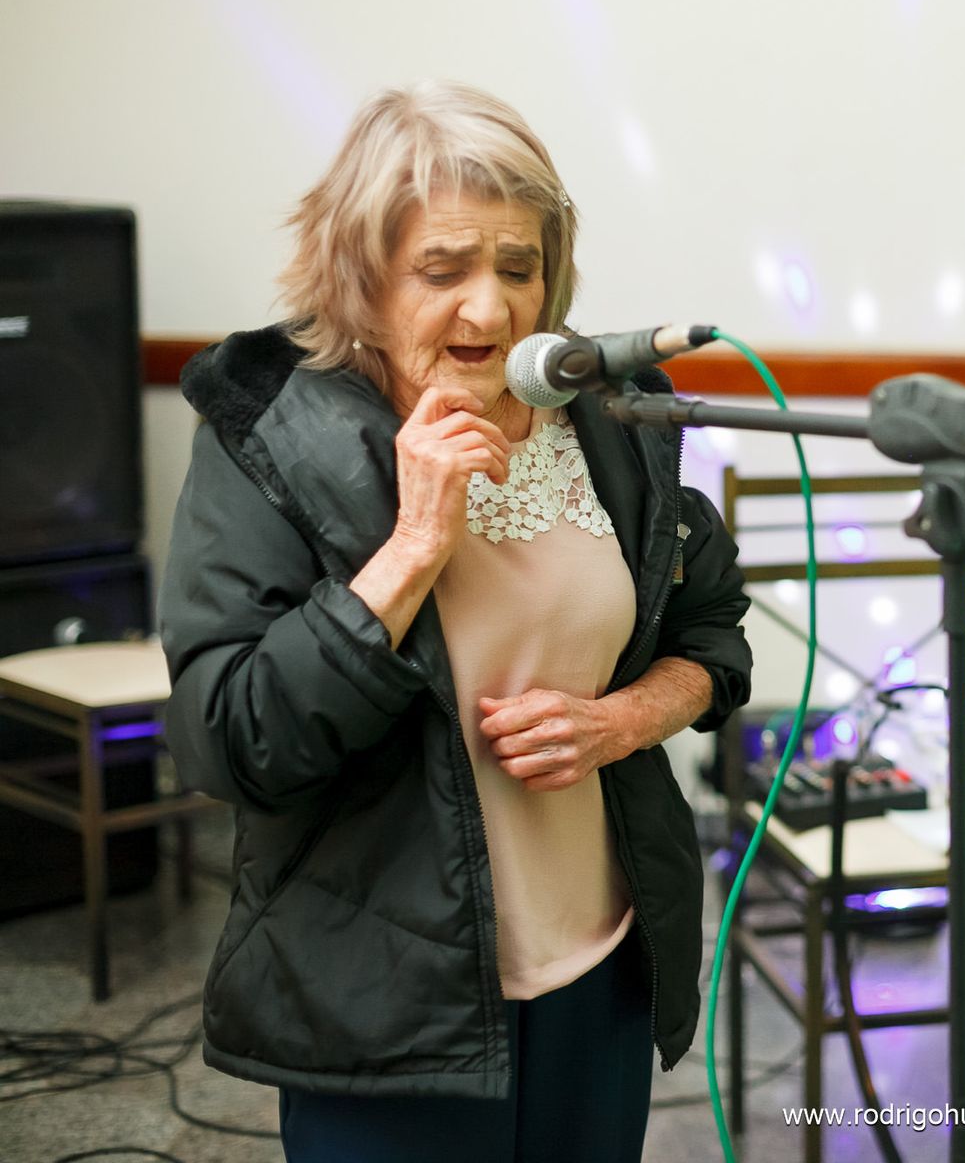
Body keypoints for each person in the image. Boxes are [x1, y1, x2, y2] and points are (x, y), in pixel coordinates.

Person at [159, 80, 752, 1160]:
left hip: (604, 966)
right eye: (444, 271)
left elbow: (713, 634)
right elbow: (229, 739)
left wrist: (625, 719)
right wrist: (413, 548)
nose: (492, 309)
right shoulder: (273, 438)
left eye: (519, 267)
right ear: (360, 274)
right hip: (391, 1001)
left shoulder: (608, 420)